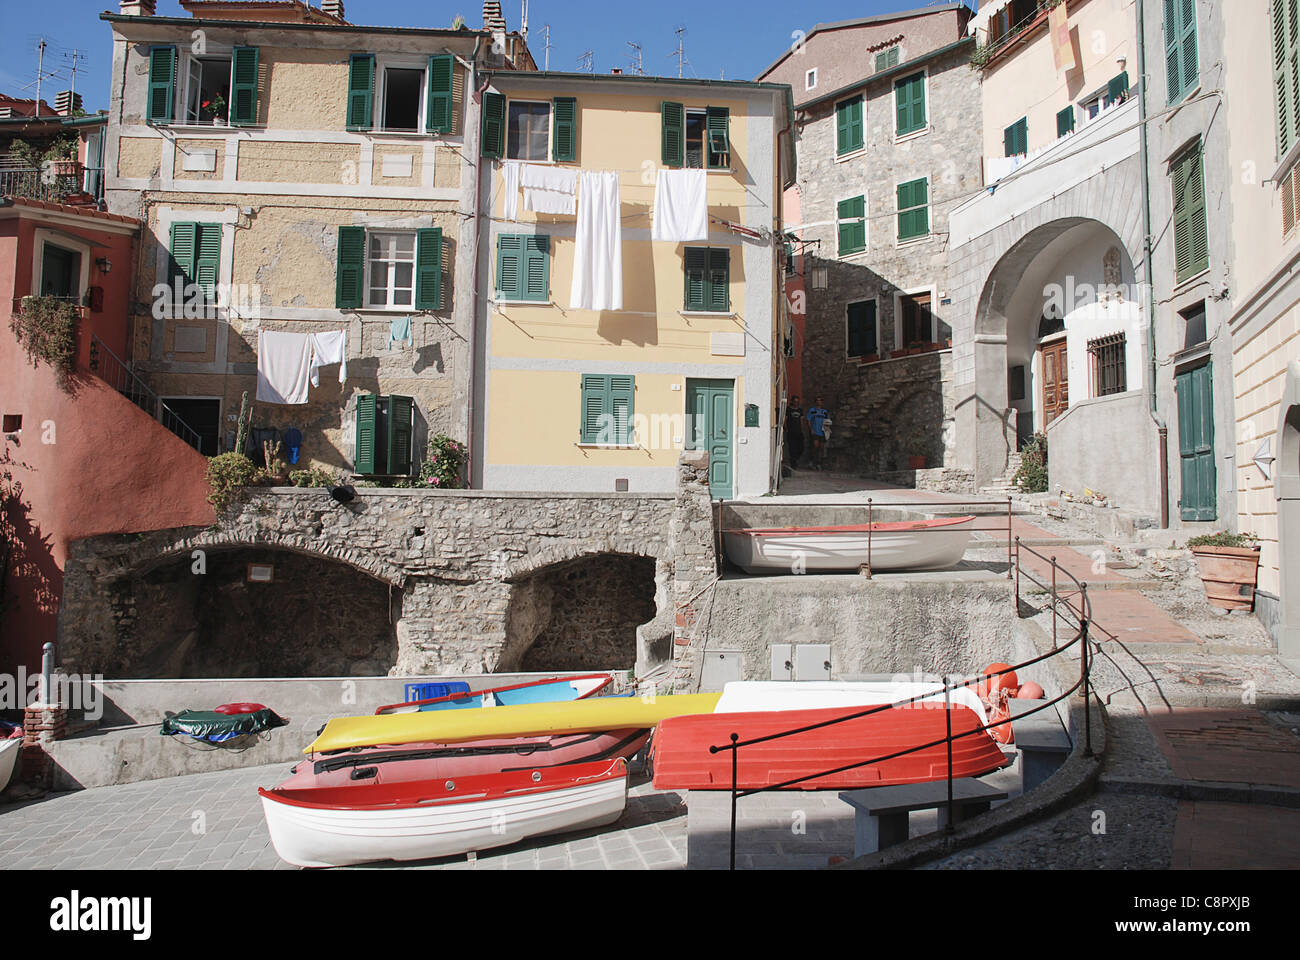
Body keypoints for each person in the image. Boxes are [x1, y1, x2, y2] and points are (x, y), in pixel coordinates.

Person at [806, 397, 830, 470]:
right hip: (815, 431)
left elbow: (827, 421)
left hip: (822, 432)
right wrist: (811, 429)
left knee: (821, 447)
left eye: (820, 400)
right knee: (815, 446)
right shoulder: (812, 410)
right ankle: (811, 461)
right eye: (817, 400)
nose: (819, 402)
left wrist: (827, 429)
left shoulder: (824, 411)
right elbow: (809, 420)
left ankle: (819, 463)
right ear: (815, 402)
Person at [785, 395, 805, 470]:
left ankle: (796, 458)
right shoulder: (788, 409)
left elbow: (801, 420)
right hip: (791, 431)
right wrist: (785, 427)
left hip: (799, 431)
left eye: (797, 401)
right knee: (792, 448)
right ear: (792, 401)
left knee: (801, 447)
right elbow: (785, 419)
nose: (796, 403)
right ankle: (793, 462)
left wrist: (802, 429)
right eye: (795, 401)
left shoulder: (800, 410)